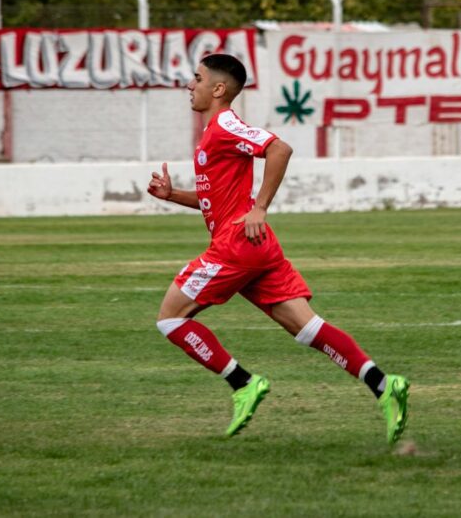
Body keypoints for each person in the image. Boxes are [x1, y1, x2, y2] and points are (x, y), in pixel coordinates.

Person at [147, 53, 409, 444]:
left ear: (218, 89)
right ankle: (384, 385)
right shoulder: (214, 133)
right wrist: (173, 196)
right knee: (307, 328)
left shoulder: (224, 125)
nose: (190, 85)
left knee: (170, 318)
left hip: (236, 247)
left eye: (197, 78)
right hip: (254, 247)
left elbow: (279, 150)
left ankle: (243, 383)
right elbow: (215, 199)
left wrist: (260, 208)